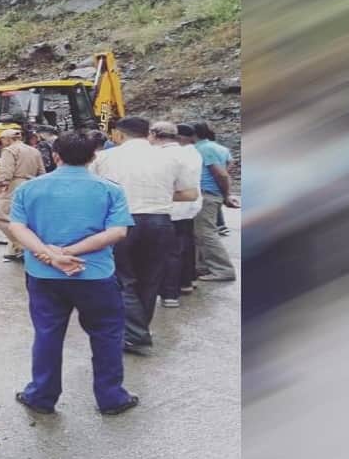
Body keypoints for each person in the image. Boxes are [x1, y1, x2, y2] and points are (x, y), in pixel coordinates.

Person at [9, 130, 138, 415]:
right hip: (95, 275)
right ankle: (111, 398)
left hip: (44, 275)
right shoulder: (110, 189)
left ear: (54, 156)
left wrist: (52, 256)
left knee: (47, 333)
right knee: (106, 335)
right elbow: (117, 231)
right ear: (93, 157)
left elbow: (17, 228)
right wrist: (71, 252)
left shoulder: (29, 189)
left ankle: (41, 396)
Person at [91, 117, 198, 352]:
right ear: (148, 133)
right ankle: (138, 331)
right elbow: (190, 194)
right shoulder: (171, 158)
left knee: (121, 278)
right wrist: (158, 196)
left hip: (121, 221)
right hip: (160, 221)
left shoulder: (105, 157)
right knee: (150, 279)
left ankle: (136, 333)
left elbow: (92, 191)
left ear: (118, 135)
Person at [153, 122, 203, 308]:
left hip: (170, 208)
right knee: (185, 246)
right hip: (188, 207)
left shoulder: (161, 155)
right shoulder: (191, 152)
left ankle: (169, 293)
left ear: (155, 134)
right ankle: (187, 282)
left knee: (168, 253)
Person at [192, 122, 239, 281]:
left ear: (194, 134)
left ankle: (223, 269)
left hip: (206, 194)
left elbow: (221, 174)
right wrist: (225, 194)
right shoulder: (220, 148)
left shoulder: (203, 149)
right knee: (200, 233)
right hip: (214, 194)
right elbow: (229, 166)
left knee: (206, 233)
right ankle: (204, 267)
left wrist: (226, 195)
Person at [0, 129, 46, 262]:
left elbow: (6, 173)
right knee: (25, 219)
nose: (2, 143)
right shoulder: (34, 151)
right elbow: (42, 172)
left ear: (7, 139)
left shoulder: (9, 151)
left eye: (2, 140)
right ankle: (13, 250)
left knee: (2, 218)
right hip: (32, 184)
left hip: (15, 186)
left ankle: (24, 246)